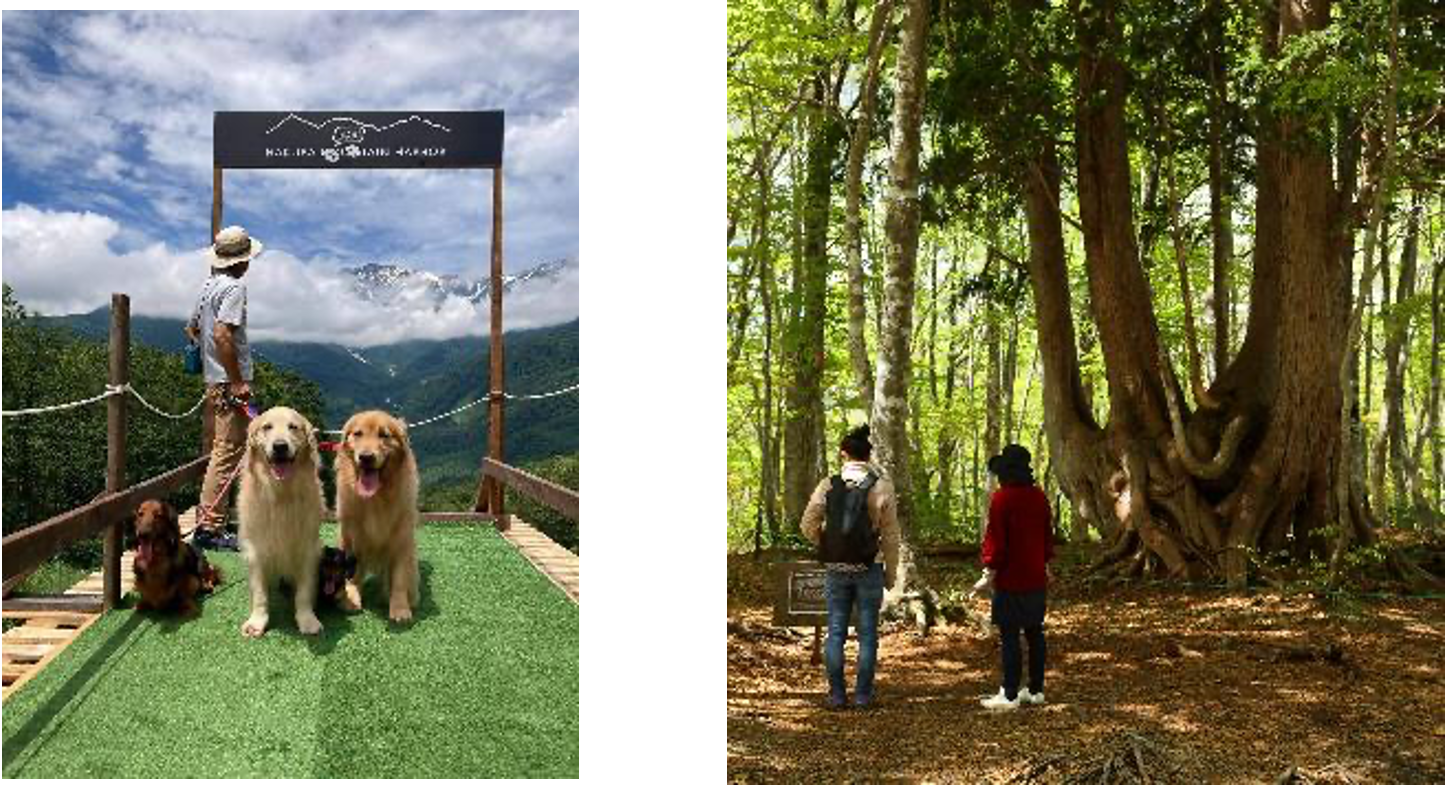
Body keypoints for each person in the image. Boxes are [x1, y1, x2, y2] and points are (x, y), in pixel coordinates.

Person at [800, 425, 901, 710]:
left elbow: (807, 524)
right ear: (868, 456)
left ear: (843, 454)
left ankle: (836, 695)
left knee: (836, 632)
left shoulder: (828, 484)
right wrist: (891, 574)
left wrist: (828, 542)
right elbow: (892, 536)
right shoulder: (883, 486)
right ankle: (863, 696)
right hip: (870, 567)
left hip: (836, 568)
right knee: (868, 634)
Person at [185, 226, 263, 551]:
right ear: (241, 261)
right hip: (229, 383)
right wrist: (236, 380)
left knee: (228, 449)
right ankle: (210, 528)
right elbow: (221, 334)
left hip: (214, 381)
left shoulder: (207, 287)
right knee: (227, 452)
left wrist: (211, 367)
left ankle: (219, 521)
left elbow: (192, 328)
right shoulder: (233, 288)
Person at [979, 443, 1054, 711]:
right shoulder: (1039, 497)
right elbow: (1047, 537)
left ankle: (1009, 694)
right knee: (1035, 633)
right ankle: (1035, 690)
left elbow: (996, 541)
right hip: (1035, 577)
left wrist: (989, 568)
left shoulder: (1002, 499)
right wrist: (1045, 563)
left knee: (1010, 635)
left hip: (1010, 579)